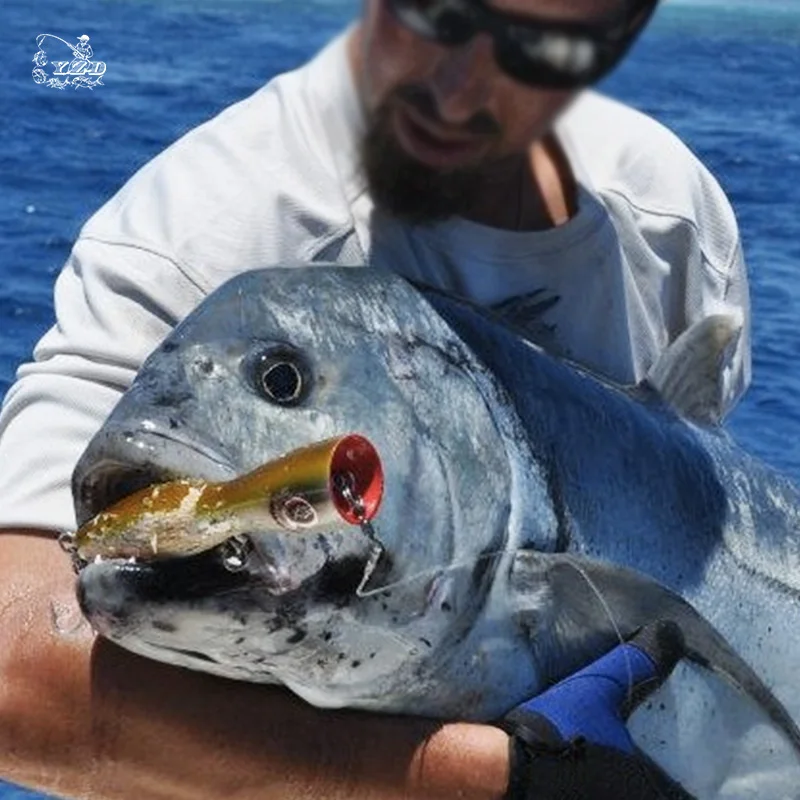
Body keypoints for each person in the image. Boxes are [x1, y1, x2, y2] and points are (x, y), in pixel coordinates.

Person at [0, 0, 749, 796]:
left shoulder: (673, 224)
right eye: (438, 10)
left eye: (546, 47)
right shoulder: (212, 227)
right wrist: (490, 781)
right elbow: (13, 670)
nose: (460, 87)